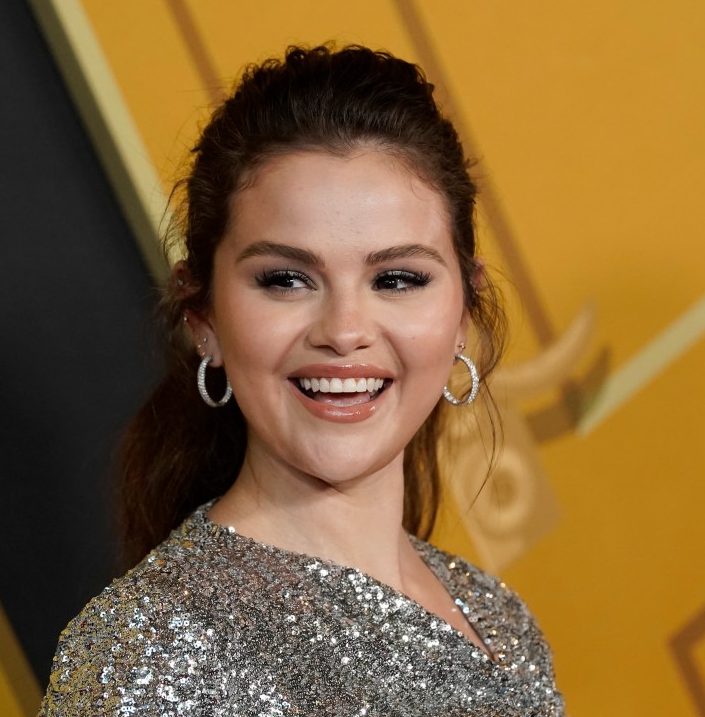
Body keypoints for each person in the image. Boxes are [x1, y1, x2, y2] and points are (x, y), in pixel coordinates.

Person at [38, 44, 564, 716]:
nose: (344, 331)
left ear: (463, 312)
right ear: (204, 317)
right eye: (286, 280)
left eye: (397, 279)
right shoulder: (147, 654)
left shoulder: (502, 623)